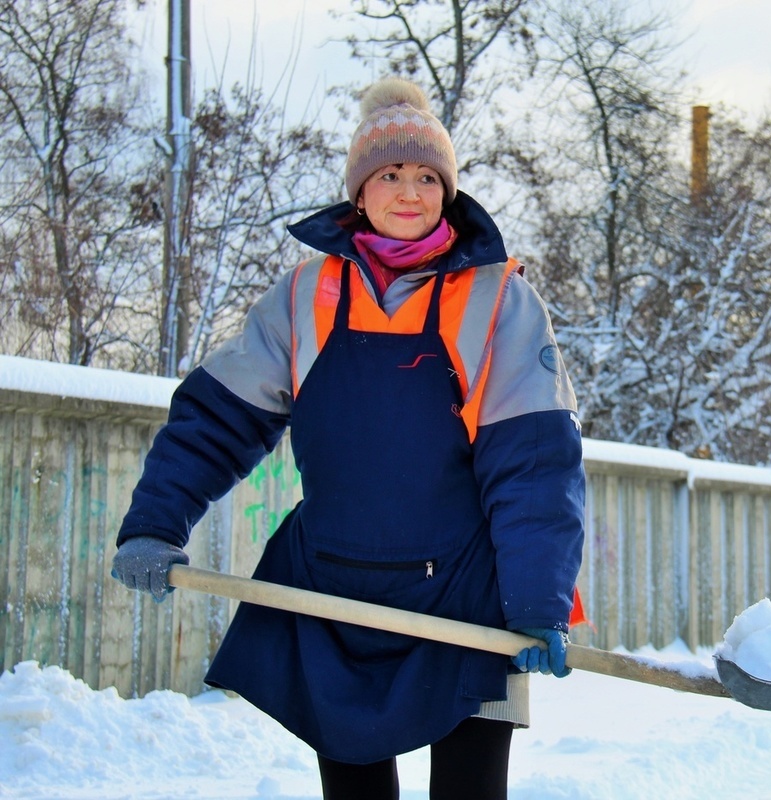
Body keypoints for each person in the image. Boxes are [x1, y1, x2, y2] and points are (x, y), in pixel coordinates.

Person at [111, 76, 586, 800]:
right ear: (358, 191)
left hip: (467, 598)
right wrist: (153, 524)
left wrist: (537, 603)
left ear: (447, 191)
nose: (409, 191)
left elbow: (534, 466)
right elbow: (217, 419)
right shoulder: (304, 297)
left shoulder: (497, 301)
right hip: (333, 592)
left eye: (427, 176)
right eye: (389, 173)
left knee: (470, 792)